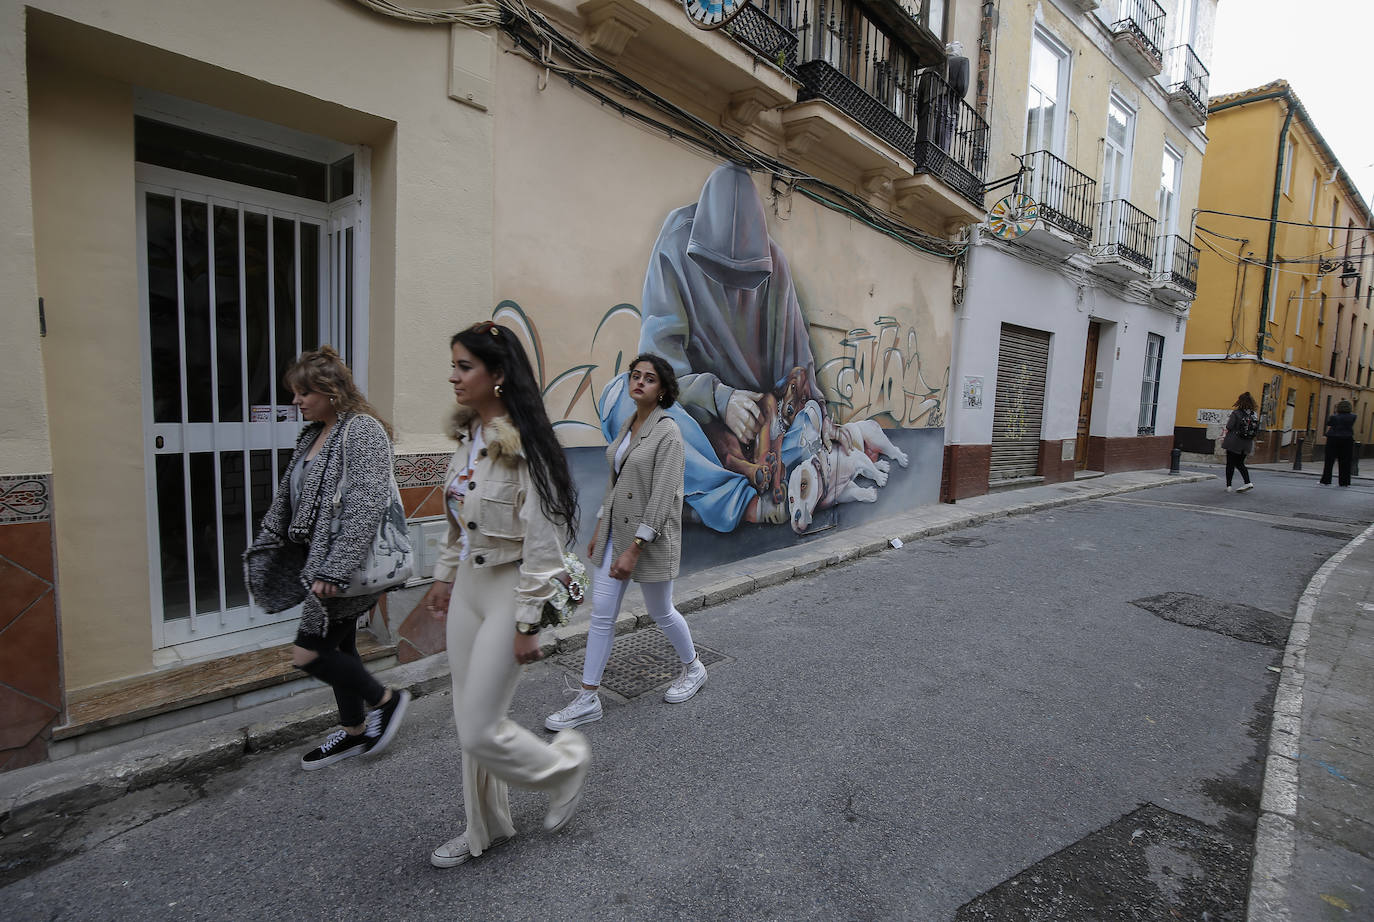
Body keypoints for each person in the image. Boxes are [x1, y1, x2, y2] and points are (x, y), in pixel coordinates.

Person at [421, 321, 591, 869]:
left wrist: (528, 622)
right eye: (453, 365)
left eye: (463, 366)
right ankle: (483, 830)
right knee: (468, 722)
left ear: (497, 375)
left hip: (510, 588)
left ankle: (563, 767)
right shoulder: (466, 438)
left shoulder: (526, 448)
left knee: (480, 726)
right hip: (469, 587)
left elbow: (545, 545)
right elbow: (457, 525)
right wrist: (445, 577)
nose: (453, 377)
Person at [246, 346, 410, 771]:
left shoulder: (362, 431)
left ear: (332, 391)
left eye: (304, 392)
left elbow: (366, 504)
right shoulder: (311, 435)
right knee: (344, 647)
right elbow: (289, 499)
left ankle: (387, 701)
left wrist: (335, 568)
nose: (296, 401)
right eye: (294, 393)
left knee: (310, 653)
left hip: (346, 569)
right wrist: (269, 542)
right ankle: (354, 732)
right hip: (319, 564)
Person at [546, 354, 706, 732]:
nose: (639, 383)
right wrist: (601, 528)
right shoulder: (628, 424)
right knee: (602, 612)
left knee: (661, 610)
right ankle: (587, 697)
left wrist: (635, 547)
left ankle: (694, 667)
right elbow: (616, 484)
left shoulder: (668, 432)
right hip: (615, 532)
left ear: (663, 390)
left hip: (649, 537)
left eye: (649, 379)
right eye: (635, 376)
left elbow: (664, 494)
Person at [1220, 391, 1259, 493]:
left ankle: (1229, 486)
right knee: (1240, 463)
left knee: (1230, 464)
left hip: (1234, 442)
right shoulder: (1254, 415)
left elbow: (1229, 426)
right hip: (1247, 444)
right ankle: (1248, 482)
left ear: (1240, 401)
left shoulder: (1236, 413)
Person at [1320, 398, 1358, 487]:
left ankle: (1326, 480)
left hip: (1333, 438)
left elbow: (1329, 423)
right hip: (1347, 439)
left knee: (1329, 461)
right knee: (1345, 461)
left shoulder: (1334, 417)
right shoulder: (1353, 416)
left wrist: (1335, 413)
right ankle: (1344, 482)